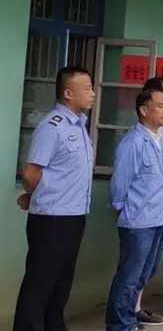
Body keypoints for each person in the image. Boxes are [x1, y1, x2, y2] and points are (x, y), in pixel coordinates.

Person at [14, 66, 95, 331]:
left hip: (74, 216)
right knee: (40, 283)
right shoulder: (52, 127)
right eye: (87, 88)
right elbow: (31, 173)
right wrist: (37, 196)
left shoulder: (80, 126)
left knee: (61, 283)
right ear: (68, 93)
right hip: (52, 219)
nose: (93, 93)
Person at [106, 87, 163, 331]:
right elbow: (120, 182)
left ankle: (129, 320)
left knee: (145, 273)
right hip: (138, 220)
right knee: (129, 276)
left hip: (158, 217)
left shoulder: (159, 139)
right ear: (144, 110)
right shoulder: (133, 141)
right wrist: (122, 209)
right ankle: (118, 324)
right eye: (160, 106)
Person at [136, 77, 163, 327]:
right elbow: (121, 184)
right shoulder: (141, 136)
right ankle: (130, 311)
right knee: (137, 264)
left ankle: (136, 306)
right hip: (147, 209)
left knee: (152, 262)